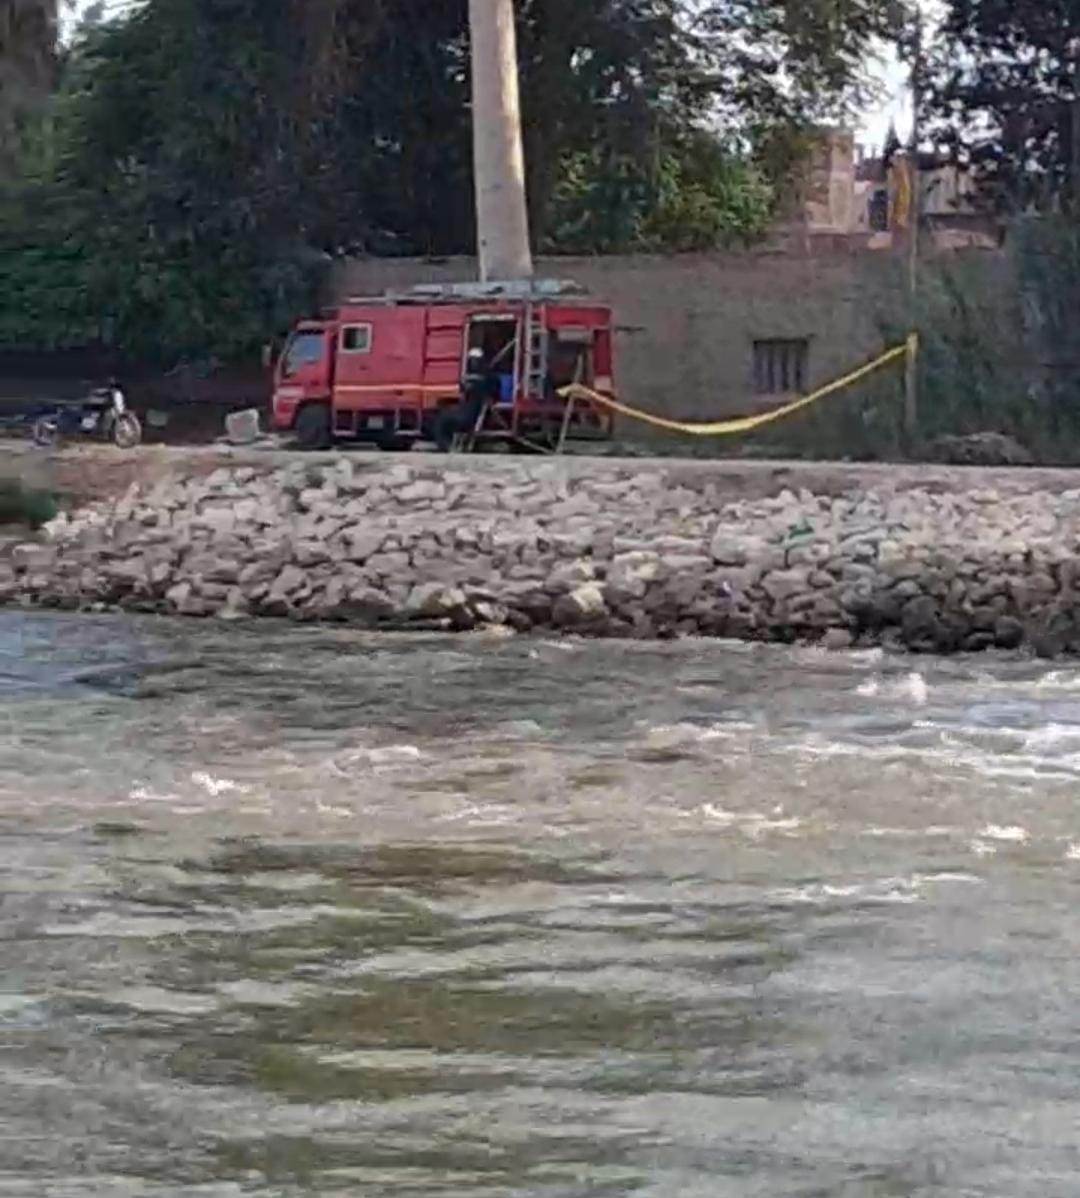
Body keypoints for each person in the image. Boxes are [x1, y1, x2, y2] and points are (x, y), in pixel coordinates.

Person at [433, 345, 502, 452]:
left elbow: (462, 389)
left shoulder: (473, 378)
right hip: (474, 414)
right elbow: (495, 392)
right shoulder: (490, 377)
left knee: (441, 419)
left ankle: (447, 446)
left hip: (467, 417)